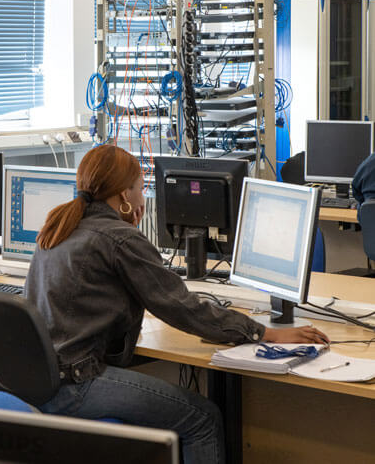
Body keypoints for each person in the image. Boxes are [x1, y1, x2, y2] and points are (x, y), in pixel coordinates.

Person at [25, 144, 329, 464]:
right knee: (203, 419)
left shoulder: (59, 226)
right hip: (75, 384)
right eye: (142, 189)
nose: (144, 199)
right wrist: (264, 333)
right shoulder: (118, 239)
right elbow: (181, 307)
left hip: (42, 378)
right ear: (125, 197)